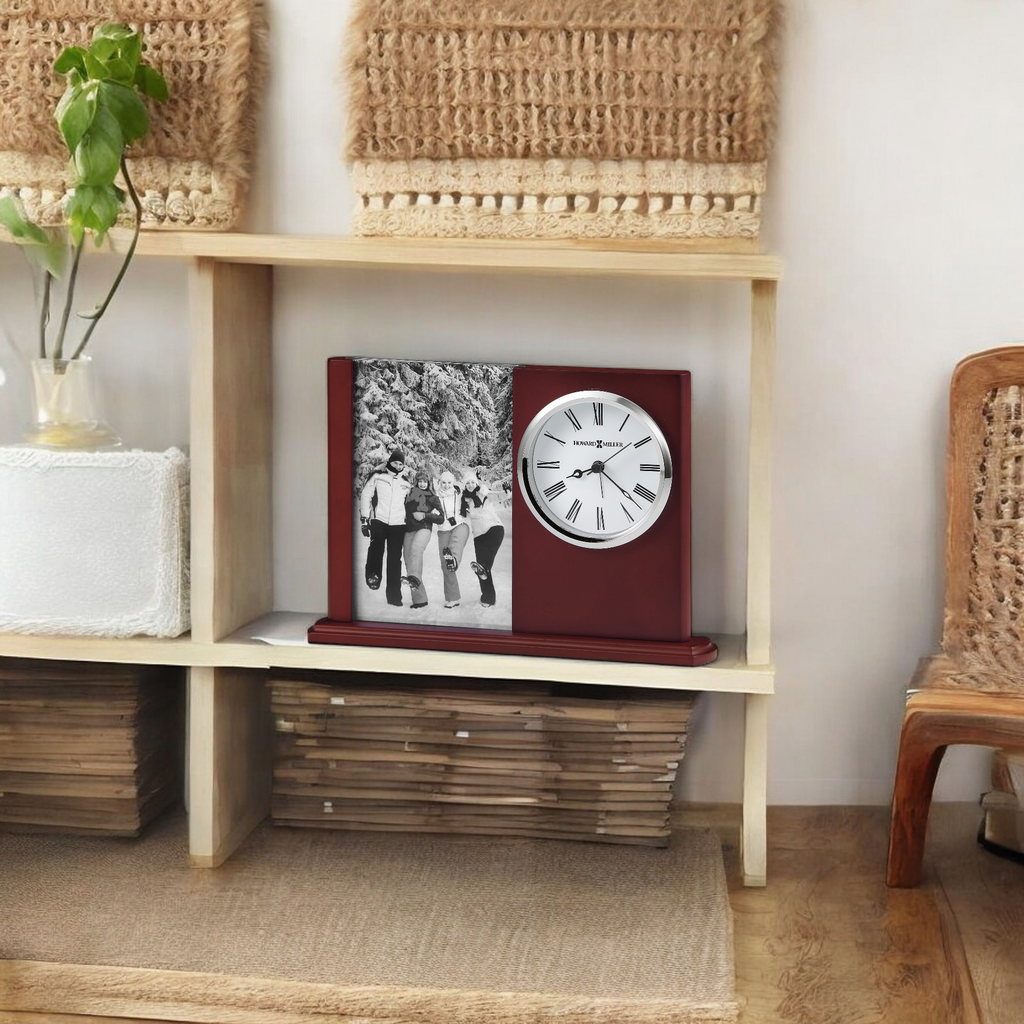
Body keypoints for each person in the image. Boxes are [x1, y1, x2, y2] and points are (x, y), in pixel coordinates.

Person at [359, 449, 410, 606]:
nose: (397, 466)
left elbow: (411, 503)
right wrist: (364, 519)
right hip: (379, 520)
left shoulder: (406, 483)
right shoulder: (377, 477)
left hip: (398, 524)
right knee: (376, 549)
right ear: (389, 462)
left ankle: (394, 596)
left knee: (395, 559)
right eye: (395, 462)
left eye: (400, 464)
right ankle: (373, 576)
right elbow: (366, 496)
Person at [461, 471, 505, 608]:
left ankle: (484, 568)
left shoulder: (482, 493)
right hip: (479, 535)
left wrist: (507, 489)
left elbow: (500, 496)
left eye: (472, 482)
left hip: (493, 528)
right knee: (483, 569)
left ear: (476, 483)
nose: (470, 485)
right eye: (467, 483)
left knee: (484, 566)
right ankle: (488, 598)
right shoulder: (464, 501)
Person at [402, 468, 443, 609]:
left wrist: (425, 515)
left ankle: (413, 579)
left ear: (429, 483)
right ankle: (420, 600)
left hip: (424, 528)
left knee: (416, 550)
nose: (422, 484)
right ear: (416, 482)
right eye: (420, 481)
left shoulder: (433, 498)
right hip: (408, 530)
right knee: (409, 561)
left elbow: (441, 517)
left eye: (425, 481)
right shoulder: (409, 495)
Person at [435, 470, 469, 608]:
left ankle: (454, 559)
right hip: (443, 530)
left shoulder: (459, 493)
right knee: (445, 563)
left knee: (454, 546)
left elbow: (474, 491)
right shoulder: (435, 497)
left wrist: (483, 489)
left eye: (449, 482)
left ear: (453, 483)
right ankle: (453, 598)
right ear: (439, 482)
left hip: (460, 525)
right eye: (443, 482)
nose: (446, 485)